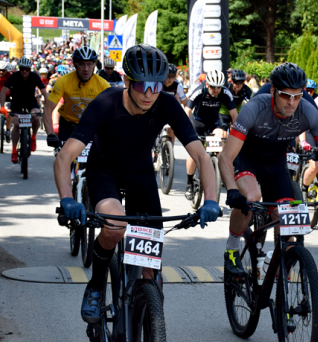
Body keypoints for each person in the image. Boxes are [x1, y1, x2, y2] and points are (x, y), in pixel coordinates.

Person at [53, 45, 220, 323]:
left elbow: (201, 156)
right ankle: (95, 284)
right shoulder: (106, 102)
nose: (149, 93)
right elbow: (64, 157)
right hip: (104, 170)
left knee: (151, 271)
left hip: (140, 174)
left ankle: (148, 338)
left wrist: (211, 200)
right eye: (141, 84)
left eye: (156, 85)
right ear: (128, 81)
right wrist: (67, 199)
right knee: (115, 225)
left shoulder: (166, 103)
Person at [219, 62, 318, 276]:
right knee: (252, 197)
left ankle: (280, 270)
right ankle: (232, 247)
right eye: (285, 95)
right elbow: (226, 156)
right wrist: (233, 190)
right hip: (247, 158)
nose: (291, 102)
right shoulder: (255, 108)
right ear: (273, 91)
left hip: (275, 164)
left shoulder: (307, 111)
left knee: (289, 226)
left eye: (297, 96)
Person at [184, 68, 237, 198]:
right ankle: (190, 183)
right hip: (197, 123)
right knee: (194, 154)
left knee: (221, 138)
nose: (216, 90)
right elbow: (187, 111)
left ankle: (219, 172)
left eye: (218, 87)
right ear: (207, 84)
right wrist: (185, 129)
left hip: (214, 122)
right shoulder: (199, 91)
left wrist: (237, 132)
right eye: (213, 87)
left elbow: (234, 114)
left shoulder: (225, 92)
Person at [44, 47, 109, 150]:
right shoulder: (63, 81)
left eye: (89, 64)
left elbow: (111, 113)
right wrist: (50, 134)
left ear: (94, 65)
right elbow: (48, 109)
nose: (86, 69)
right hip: (68, 125)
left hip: (91, 126)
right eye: (82, 64)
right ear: (75, 65)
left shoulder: (103, 84)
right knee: (63, 159)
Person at [0, 57, 48, 163]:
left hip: (30, 101)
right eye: (22, 69)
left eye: (27, 69)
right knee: (16, 123)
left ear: (30, 69)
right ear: (19, 68)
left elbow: (44, 91)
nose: (24, 71)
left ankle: (33, 137)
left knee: (36, 117)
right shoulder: (14, 76)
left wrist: (48, 105)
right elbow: (4, 91)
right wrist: (2, 107)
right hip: (16, 101)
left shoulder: (34, 76)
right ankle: (13, 150)